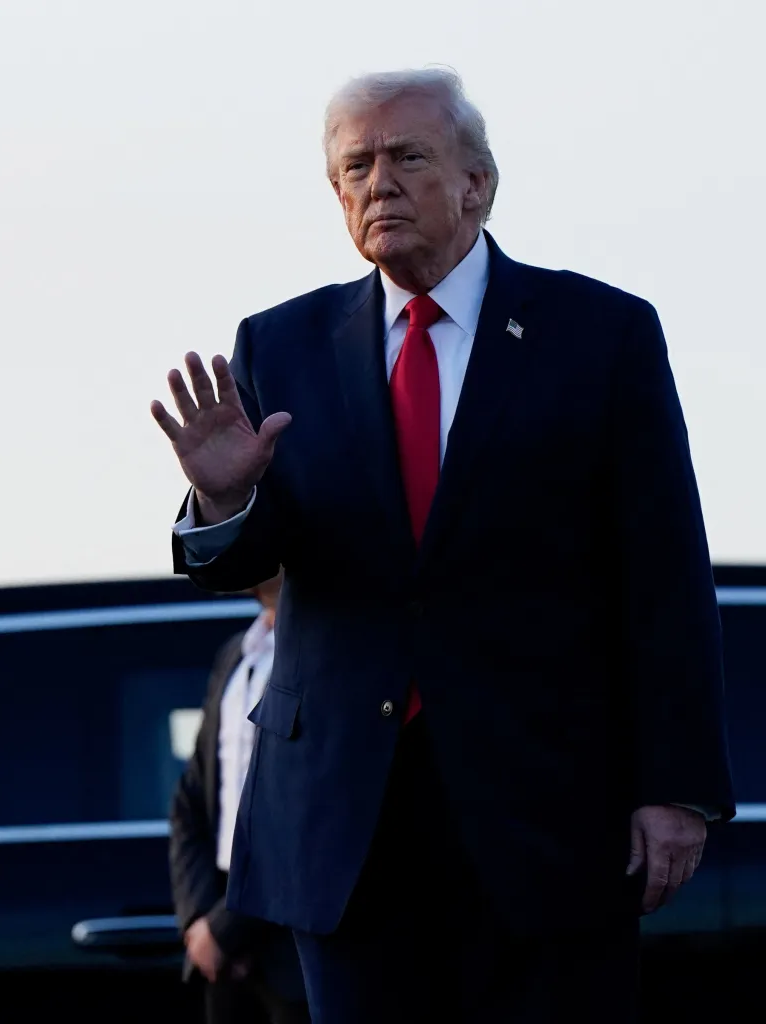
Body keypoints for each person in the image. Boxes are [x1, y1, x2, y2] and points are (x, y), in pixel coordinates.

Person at [151, 68, 735, 1023]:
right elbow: (244, 560)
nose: (378, 181)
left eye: (406, 156)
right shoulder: (280, 344)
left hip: (547, 817)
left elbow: (665, 578)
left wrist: (676, 788)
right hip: (344, 822)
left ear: (478, 183)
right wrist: (223, 497)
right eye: (355, 166)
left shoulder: (600, 334)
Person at [169, 573, 309, 1024]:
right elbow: (191, 800)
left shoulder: (324, 655)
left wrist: (229, 927)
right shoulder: (234, 655)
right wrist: (199, 922)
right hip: (223, 947)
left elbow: (309, 807)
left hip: (294, 937)